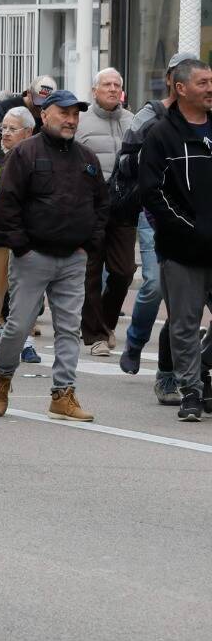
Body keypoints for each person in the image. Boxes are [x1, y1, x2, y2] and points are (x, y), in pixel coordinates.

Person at [0, 90, 107, 421]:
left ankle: (63, 394)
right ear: (44, 115)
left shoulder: (87, 158)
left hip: (73, 258)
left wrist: (90, 244)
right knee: (19, 325)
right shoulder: (24, 153)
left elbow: (101, 205)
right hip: (32, 256)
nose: (70, 120)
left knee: (69, 329)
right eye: (64, 113)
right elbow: (5, 204)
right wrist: (22, 246)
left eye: (75, 115)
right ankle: (2, 377)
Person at [137, 57, 212, 419]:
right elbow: (153, 193)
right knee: (184, 322)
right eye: (202, 82)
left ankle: (204, 371)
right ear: (180, 89)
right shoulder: (161, 135)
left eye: (211, 80)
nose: (210, 87)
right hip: (183, 248)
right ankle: (191, 391)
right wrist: (191, 229)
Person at [74, 67, 135, 356]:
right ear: (94, 90)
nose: (112, 89)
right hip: (90, 207)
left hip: (124, 207)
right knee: (91, 273)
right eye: (107, 84)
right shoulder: (81, 122)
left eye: (117, 85)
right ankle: (96, 335)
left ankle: (107, 322)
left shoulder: (133, 122)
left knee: (123, 271)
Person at [0, 107, 43, 366]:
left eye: (11, 129)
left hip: (29, 233)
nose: (5, 133)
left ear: (28, 132)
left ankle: (26, 343)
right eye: (3, 128)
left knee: (26, 291)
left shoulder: (38, 158)